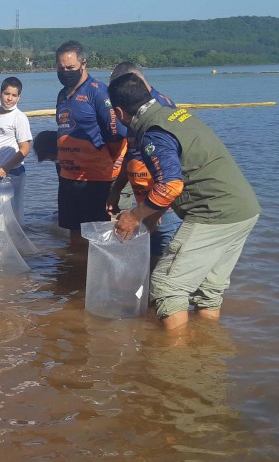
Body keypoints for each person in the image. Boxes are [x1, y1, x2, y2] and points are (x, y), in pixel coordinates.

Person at [108, 73, 261, 330]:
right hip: (243, 209)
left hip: (214, 213)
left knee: (166, 287)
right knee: (208, 289)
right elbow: (181, 172)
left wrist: (134, 216)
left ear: (120, 112)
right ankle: (206, 351)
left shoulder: (153, 132)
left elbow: (171, 184)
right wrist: (154, 213)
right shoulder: (172, 114)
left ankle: (176, 364)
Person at [106, 61, 181, 263]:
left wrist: (156, 210)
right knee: (150, 263)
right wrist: (116, 190)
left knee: (166, 269)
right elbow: (132, 155)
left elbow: (171, 174)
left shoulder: (160, 110)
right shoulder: (135, 112)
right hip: (145, 203)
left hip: (163, 206)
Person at [55, 40, 126, 245]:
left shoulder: (98, 92)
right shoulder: (62, 95)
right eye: (61, 68)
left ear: (83, 64)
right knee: (73, 233)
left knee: (97, 236)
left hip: (95, 179)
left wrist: (107, 160)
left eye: (71, 68)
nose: (65, 72)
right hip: (68, 177)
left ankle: (95, 275)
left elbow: (116, 133)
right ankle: (76, 272)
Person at [0, 77, 32, 179]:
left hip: (13, 172)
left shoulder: (19, 117)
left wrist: (6, 168)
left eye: (14, 95)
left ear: (18, 98)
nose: (10, 98)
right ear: (0, 94)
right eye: (6, 93)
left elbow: (25, 149)